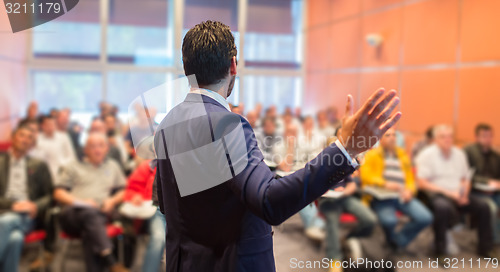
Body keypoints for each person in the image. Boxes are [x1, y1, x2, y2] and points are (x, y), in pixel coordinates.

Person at [154, 20, 401, 271]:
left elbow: (166, 201)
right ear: (233, 65)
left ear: (186, 67)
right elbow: (270, 202)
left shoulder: (167, 123)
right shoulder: (227, 125)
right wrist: (344, 149)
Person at [416, 125, 497, 259]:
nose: (447, 140)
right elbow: (422, 182)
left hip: (458, 193)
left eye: (450, 136)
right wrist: (449, 193)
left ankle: (485, 248)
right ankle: (439, 250)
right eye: (443, 137)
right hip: (438, 194)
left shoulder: (459, 154)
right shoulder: (427, 155)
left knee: (484, 206)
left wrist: (464, 194)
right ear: (436, 139)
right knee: (442, 207)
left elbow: (466, 178)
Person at [54, 132, 128, 272]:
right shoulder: (73, 165)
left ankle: (107, 257)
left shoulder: (112, 166)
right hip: (72, 214)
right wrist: (81, 202)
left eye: (101, 145)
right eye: (92, 146)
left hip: (99, 215)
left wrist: (112, 200)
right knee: (89, 214)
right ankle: (111, 260)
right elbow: (58, 193)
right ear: (85, 149)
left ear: (107, 148)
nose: (97, 150)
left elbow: (124, 190)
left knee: (90, 230)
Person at [361, 128, 432, 253]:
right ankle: (391, 244)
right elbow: (365, 176)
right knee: (390, 221)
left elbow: (410, 177)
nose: (392, 138)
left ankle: (396, 242)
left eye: (394, 135)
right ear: (380, 139)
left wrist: (410, 190)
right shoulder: (371, 154)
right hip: (381, 196)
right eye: (388, 135)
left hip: (402, 195)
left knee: (425, 217)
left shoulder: (402, 154)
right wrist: (385, 183)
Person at [0, 124, 53, 272]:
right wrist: (12, 205)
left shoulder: (39, 165)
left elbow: (50, 195)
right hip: (2, 210)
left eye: (30, 138)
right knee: (15, 238)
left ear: (32, 144)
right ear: (12, 137)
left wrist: (35, 205)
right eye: (21, 135)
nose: (25, 140)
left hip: (27, 216)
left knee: (7, 220)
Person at [123, 159, 166, 272]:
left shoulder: (182, 163)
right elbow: (130, 189)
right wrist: (135, 196)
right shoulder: (148, 166)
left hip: (178, 212)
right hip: (154, 210)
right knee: (159, 237)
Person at [464, 123, 500, 243]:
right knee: (491, 208)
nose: (488, 139)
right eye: (484, 136)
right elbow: (466, 175)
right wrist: (487, 181)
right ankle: (492, 241)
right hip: (475, 191)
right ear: (476, 137)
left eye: (490, 136)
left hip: (494, 191)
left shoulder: (495, 155)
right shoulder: (468, 151)